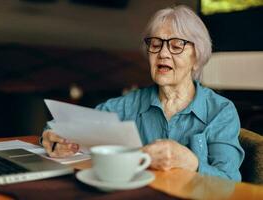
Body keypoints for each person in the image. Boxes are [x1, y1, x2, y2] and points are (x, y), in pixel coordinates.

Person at [40, 5, 244, 181]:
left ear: (197, 57)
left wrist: (193, 163)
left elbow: (230, 184)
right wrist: (52, 137)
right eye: (155, 45)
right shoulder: (128, 105)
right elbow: (70, 126)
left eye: (176, 46)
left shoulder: (220, 111)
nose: (163, 53)